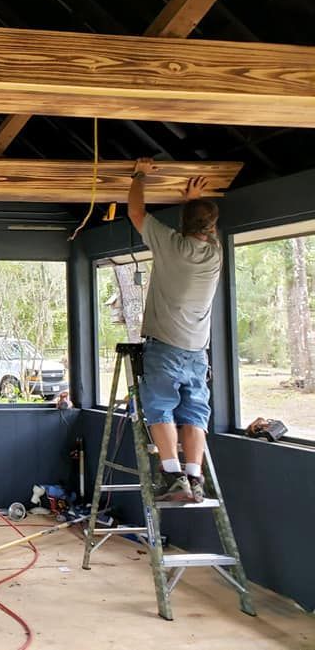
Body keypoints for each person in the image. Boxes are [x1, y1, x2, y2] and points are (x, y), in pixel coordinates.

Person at [127, 158, 221, 504]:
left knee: (160, 407)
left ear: (182, 225)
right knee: (196, 411)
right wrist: (191, 202)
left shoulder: (171, 245)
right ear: (212, 228)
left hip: (165, 347)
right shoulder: (215, 254)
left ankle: (171, 475)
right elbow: (201, 226)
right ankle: (194, 478)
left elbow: (137, 212)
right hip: (198, 350)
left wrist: (139, 175)